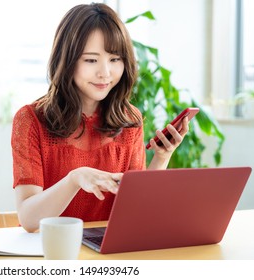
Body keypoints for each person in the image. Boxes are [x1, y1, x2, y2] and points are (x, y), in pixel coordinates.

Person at [11, 3, 189, 232]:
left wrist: (162, 158)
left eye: (115, 59)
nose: (105, 72)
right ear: (66, 60)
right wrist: (75, 179)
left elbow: (136, 208)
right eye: (91, 60)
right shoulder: (31, 120)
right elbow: (29, 220)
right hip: (51, 249)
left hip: (106, 250)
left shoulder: (129, 119)